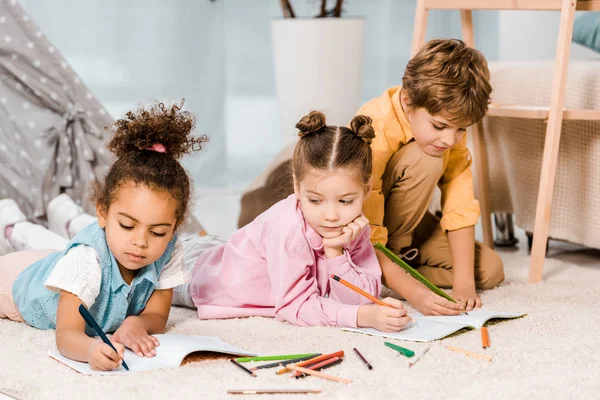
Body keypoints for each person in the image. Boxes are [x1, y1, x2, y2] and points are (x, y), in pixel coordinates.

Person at [0, 101, 207, 371]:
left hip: (54, 262)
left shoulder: (169, 250)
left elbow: (157, 314)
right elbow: (66, 335)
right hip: (16, 284)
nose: (141, 241)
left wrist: (138, 323)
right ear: (103, 213)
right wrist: (90, 349)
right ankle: (11, 226)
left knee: (53, 253)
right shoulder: (86, 260)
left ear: (176, 226)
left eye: (157, 232)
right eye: (127, 226)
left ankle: (16, 227)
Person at [172, 111, 411, 333]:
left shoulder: (353, 226)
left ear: (366, 190)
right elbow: (294, 307)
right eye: (315, 200)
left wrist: (335, 252)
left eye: (345, 201)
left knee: (213, 244)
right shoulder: (288, 228)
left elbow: (361, 299)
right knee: (150, 260)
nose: (331, 215)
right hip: (198, 275)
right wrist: (363, 317)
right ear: (297, 187)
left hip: (228, 250)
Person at [356, 39, 504, 316]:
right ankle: (390, 268)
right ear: (408, 101)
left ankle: (394, 269)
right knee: (426, 159)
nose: (450, 139)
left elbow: (459, 203)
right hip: (363, 227)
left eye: (461, 129)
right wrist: (414, 293)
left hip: (407, 224)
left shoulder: (450, 129)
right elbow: (365, 223)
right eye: (439, 126)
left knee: (490, 271)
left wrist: (463, 284)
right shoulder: (374, 124)